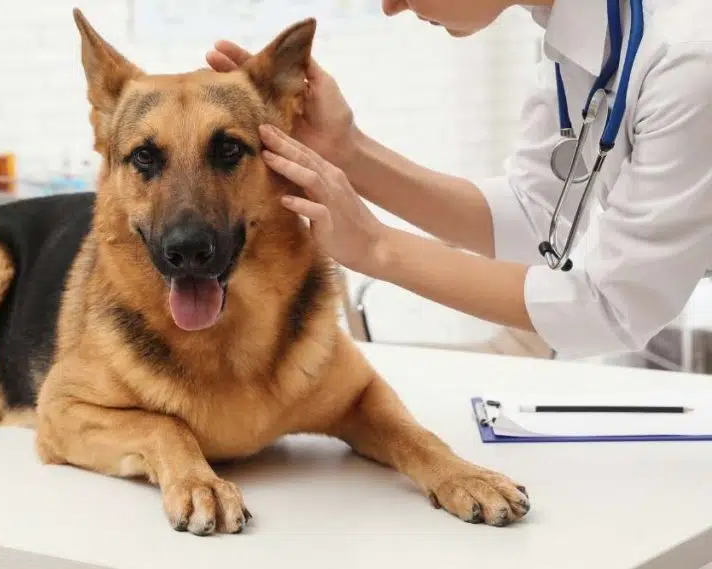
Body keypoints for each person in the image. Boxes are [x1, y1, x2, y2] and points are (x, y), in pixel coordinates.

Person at [206, 0, 712, 360]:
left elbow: (614, 307)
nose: (390, 6)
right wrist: (348, 152)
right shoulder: (579, 30)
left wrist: (375, 247)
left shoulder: (689, 56)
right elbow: (533, 218)